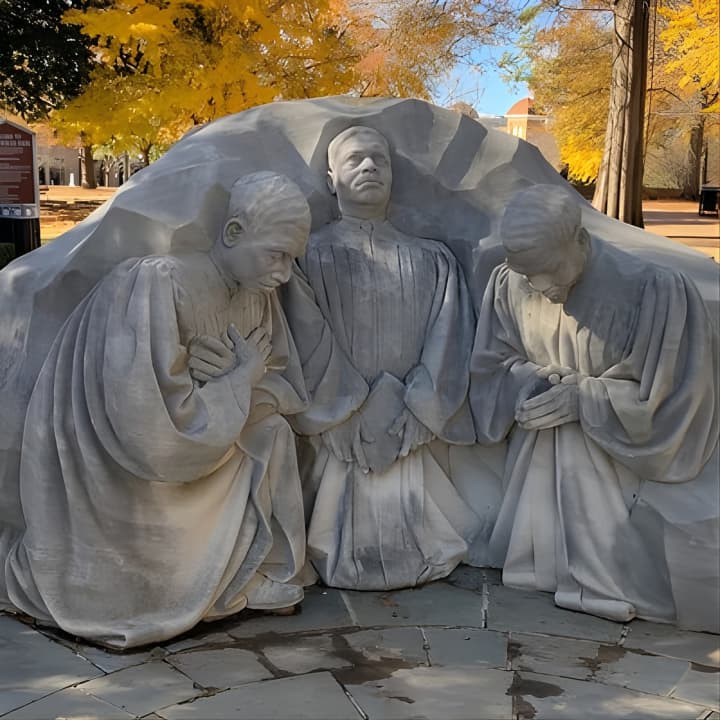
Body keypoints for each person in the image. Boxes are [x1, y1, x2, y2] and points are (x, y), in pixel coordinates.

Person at [0, 172, 312, 648]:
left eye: (292, 258)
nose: (285, 274)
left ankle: (246, 569)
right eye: (276, 255)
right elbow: (146, 426)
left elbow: (275, 376)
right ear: (233, 233)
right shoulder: (156, 282)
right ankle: (154, 585)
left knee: (273, 432)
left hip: (210, 434)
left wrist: (240, 381)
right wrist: (234, 383)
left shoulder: (257, 295)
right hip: (118, 459)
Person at [471, 184, 718, 622]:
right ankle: (545, 559)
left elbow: (673, 397)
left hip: (617, 457)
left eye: (549, 270)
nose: (539, 286)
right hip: (537, 454)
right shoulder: (509, 283)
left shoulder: (650, 289)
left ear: (580, 241)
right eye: (527, 274)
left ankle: (602, 571)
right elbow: (492, 364)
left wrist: (586, 399)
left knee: (577, 431)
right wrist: (530, 385)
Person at [283, 126, 483, 590]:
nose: (370, 166)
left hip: (408, 424)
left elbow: (450, 337)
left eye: (380, 159)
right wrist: (340, 411)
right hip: (340, 430)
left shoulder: (433, 259)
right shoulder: (306, 258)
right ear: (331, 180)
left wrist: (422, 407)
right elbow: (303, 338)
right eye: (354, 159)